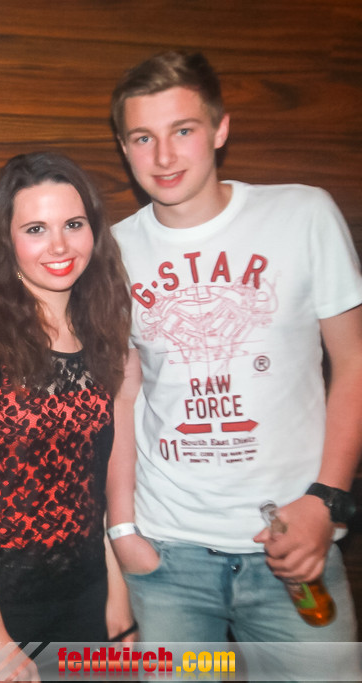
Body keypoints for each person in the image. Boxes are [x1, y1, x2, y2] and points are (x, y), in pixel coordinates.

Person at [106, 50, 362, 678]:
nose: (164, 156)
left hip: (292, 542)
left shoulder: (302, 215)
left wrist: (326, 500)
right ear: (125, 148)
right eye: (143, 137)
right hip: (167, 554)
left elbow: (354, 362)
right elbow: (123, 396)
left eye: (183, 130)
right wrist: (123, 532)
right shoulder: (115, 250)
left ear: (220, 129)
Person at [0, 152, 132, 682]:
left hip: (84, 597)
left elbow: (90, 487)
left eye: (73, 225)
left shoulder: (102, 336)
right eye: (36, 229)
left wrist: (116, 592)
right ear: (7, 240)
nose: (59, 245)